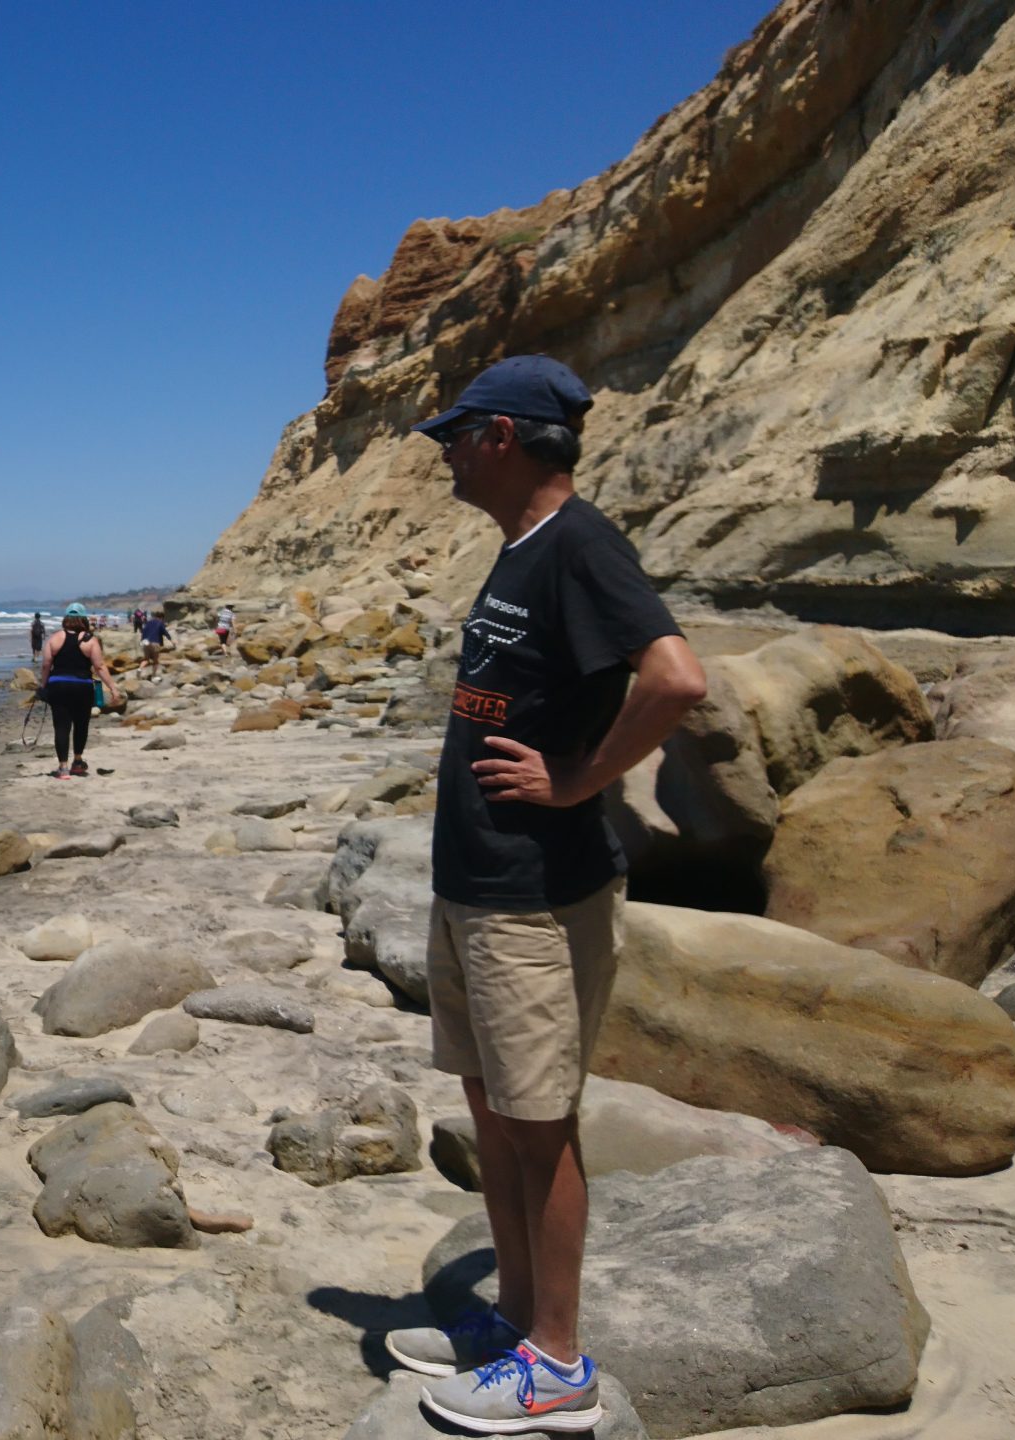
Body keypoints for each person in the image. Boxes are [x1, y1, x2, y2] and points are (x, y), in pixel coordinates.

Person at [382, 356, 707, 1434]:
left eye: (453, 437)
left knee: (536, 1121)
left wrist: (576, 780)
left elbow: (674, 677)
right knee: (489, 1110)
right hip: (473, 884)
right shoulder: (518, 552)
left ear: (505, 436)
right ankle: (514, 1322)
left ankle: (556, 1366)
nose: (444, 455)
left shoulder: (578, 546)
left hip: (531, 891)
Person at [36, 602, 111, 778]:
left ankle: (63, 768)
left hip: (59, 686)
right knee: (81, 725)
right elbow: (99, 666)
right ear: (83, 619)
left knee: (61, 727)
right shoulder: (90, 640)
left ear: (66, 619)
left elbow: (46, 665)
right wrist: (113, 688)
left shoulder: (54, 639)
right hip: (83, 687)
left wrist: (43, 686)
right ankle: (77, 762)